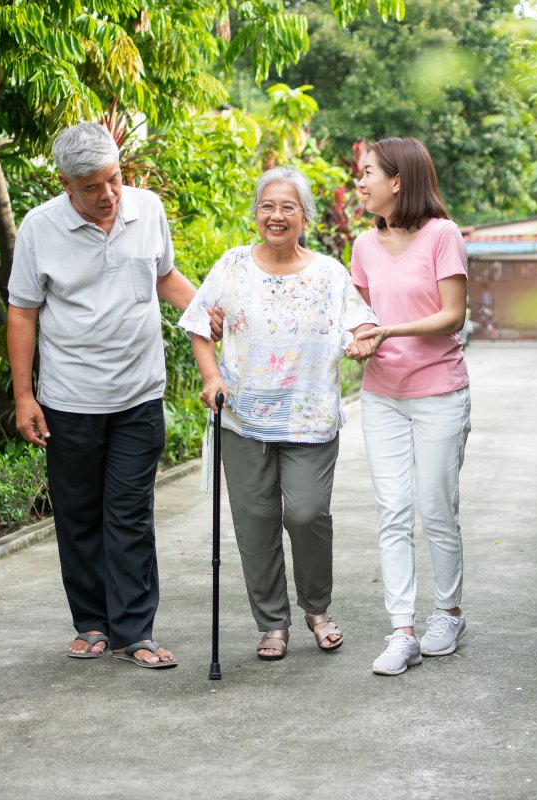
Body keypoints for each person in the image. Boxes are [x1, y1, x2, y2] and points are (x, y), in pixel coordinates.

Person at [7, 122, 197, 669]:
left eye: (114, 179)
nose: (108, 194)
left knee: (131, 514)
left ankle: (135, 630)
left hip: (139, 393)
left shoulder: (147, 210)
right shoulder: (40, 228)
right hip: (69, 399)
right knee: (79, 514)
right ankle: (91, 623)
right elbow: (22, 312)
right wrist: (25, 395)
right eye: (92, 186)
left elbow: (165, 277)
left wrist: (211, 310)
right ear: (64, 183)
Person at [179, 166, 377, 661]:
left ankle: (317, 608)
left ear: (305, 216)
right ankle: (272, 623)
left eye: (288, 206)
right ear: (255, 214)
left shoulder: (329, 273)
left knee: (307, 513)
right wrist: (211, 377)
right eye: (268, 205)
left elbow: (365, 323)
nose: (277, 215)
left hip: (309, 420)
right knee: (255, 520)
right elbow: (200, 323)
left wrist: (359, 342)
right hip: (243, 418)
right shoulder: (232, 266)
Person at [345, 137, 472, 676]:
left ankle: (449, 611)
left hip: (440, 391)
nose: (360, 181)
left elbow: (453, 315)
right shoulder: (362, 245)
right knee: (392, 512)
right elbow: (356, 311)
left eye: (368, 171)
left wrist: (389, 329)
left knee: (435, 507)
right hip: (382, 396)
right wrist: (357, 338)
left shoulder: (443, 235)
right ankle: (402, 629)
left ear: (398, 180)